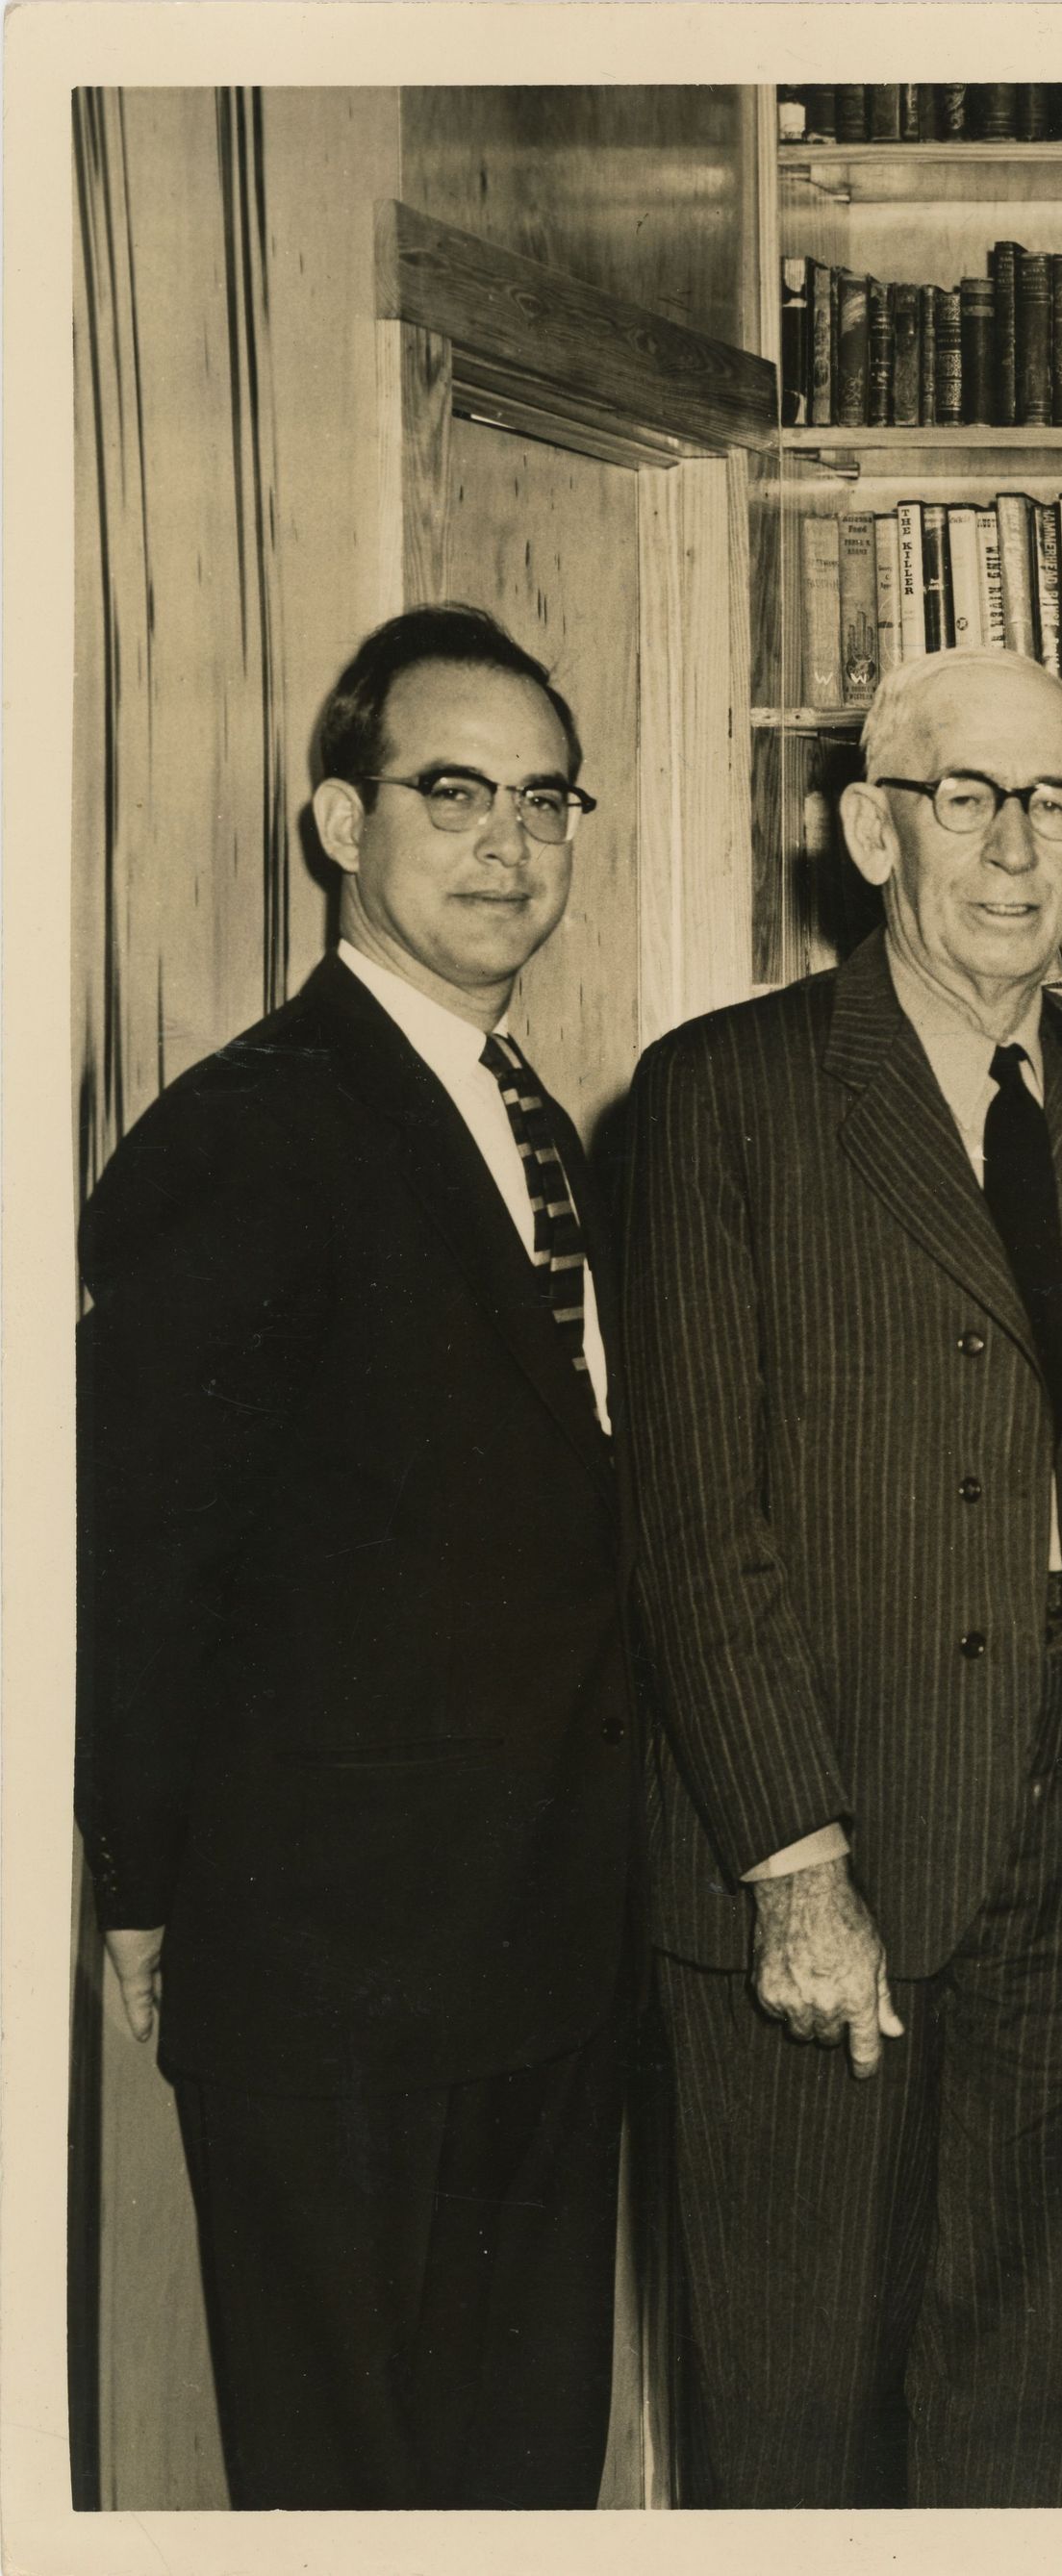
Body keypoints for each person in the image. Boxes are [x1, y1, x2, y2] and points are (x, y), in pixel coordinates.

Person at [621, 646, 1062, 2510]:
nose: (1015, 847)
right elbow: (691, 1522)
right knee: (799, 2398)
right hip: (833, 1815)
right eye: (968, 798)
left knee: (1037, 2381)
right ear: (868, 829)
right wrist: (791, 1862)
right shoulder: (725, 1092)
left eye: (1053, 802)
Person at [76, 606, 633, 2509]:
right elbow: (141, 1551)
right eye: (453, 792)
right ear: (339, 821)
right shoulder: (246, 1132)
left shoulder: (531, 1115)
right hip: (332, 1965)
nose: (508, 843)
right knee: (348, 2491)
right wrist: (146, 1881)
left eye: (543, 801)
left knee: (522, 2475)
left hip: (544, 1949)